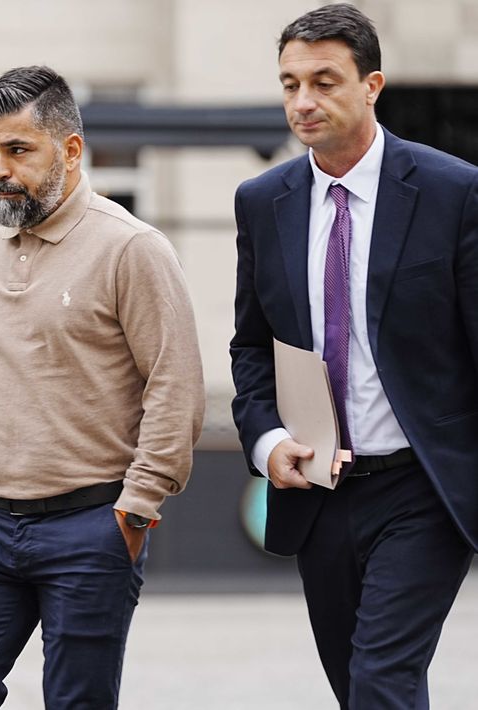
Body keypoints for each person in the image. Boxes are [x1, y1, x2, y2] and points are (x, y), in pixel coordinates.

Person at [0, 65, 204, 709]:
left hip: (91, 525)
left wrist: (135, 510)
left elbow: (175, 389)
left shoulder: (133, 249)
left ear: (70, 150)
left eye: (17, 150)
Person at [230, 4, 478, 708]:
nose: (302, 102)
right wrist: (268, 441)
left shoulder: (452, 192)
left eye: (324, 81)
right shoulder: (262, 202)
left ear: (372, 85)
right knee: (357, 685)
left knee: (382, 679)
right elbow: (251, 348)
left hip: (421, 486)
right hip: (320, 493)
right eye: (289, 84)